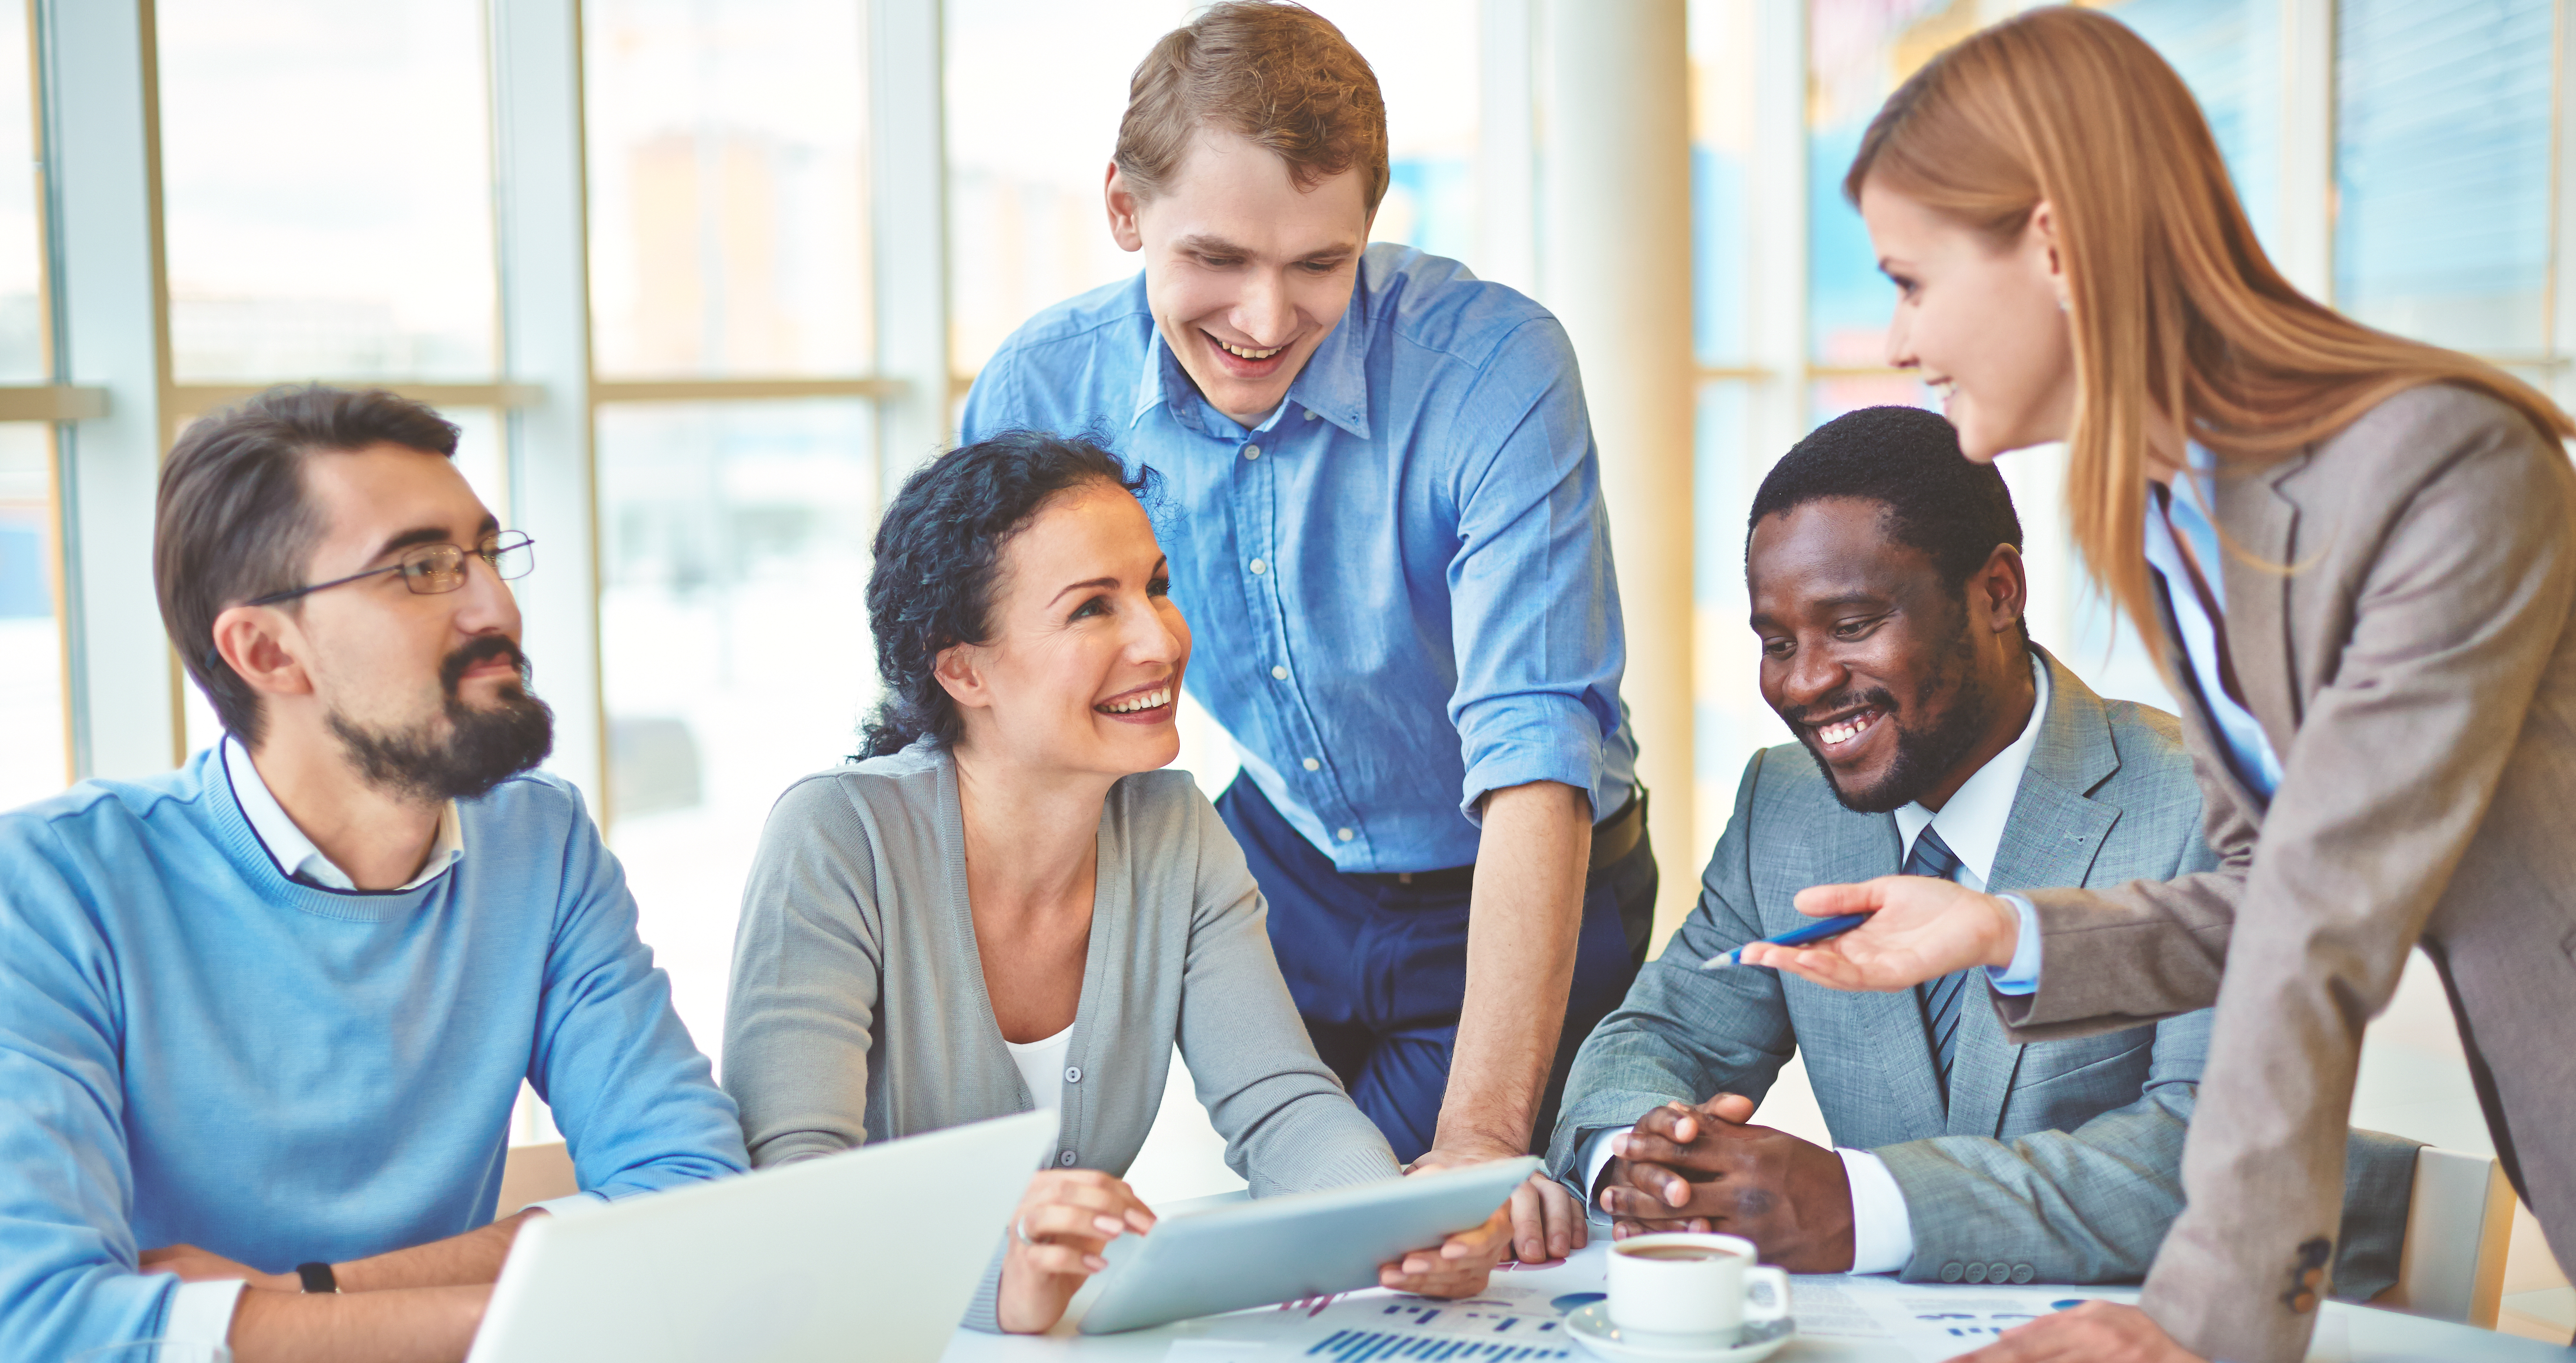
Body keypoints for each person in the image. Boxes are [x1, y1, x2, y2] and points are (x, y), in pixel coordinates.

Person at [1734, 10, 2576, 1362]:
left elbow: (2320, 927)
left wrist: (2200, 1318)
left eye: (1912, 279)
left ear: (2055, 244)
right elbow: (2266, 893)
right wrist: (2003, 932)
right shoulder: (2173, 513)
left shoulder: (2448, 468)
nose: (1899, 340)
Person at [956, 0, 1649, 1264]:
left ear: (1369, 231)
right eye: (1217, 257)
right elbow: (994, 735)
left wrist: (1483, 1139)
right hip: (1281, 873)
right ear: (1125, 210)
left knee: (1431, 1244)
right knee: (1298, 1248)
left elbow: (1535, 750)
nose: (1266, 319)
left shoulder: (1494, 367)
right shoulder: (1041, 391)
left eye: (1320, 265)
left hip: (1520, 882)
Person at [1544, 406, 2417, 1297]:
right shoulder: (1787, 803)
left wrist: (1863, 1204)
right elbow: (1665, 1033)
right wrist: (1643, 1159)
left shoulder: (2205, 803)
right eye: (1777, 643)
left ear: (1999, 593)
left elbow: (2211, 1146)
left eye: (1852, 626)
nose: (1804, 682)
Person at [0, 385, 747, 1363]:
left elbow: (692, 1188)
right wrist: (520, 1317)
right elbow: (45, 1323)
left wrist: (308, 1298)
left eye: (485, 552)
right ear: (268, 651)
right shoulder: (54, 888)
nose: (497, 605)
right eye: (424, 568)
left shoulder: (540, 844)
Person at [721, 431, 1511, 1335]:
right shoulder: (839, 837)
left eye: (1157, 588)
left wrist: (1398, 1230)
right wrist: (999, 1285)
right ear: (962, 669)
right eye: (1093, 609)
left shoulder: (1175, 828)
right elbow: (791, 1196)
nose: (1160, 639)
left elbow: (1283, 1107)